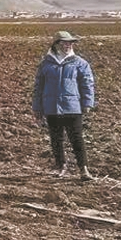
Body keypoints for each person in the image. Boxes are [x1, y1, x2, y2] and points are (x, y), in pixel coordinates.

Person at [32, 30, 95, 179]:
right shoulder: (46, 64)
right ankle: (61, 167)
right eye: (64, 43)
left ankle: (84, 169)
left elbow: (87, 84)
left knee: (77, 138)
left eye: (70, 43)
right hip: (51, 107)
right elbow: (38, 87)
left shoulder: (80, 63)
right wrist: (37, 107)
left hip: (73, 106)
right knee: (56, 139)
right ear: (56, 44)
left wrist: (87, 102)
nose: (68, 46)